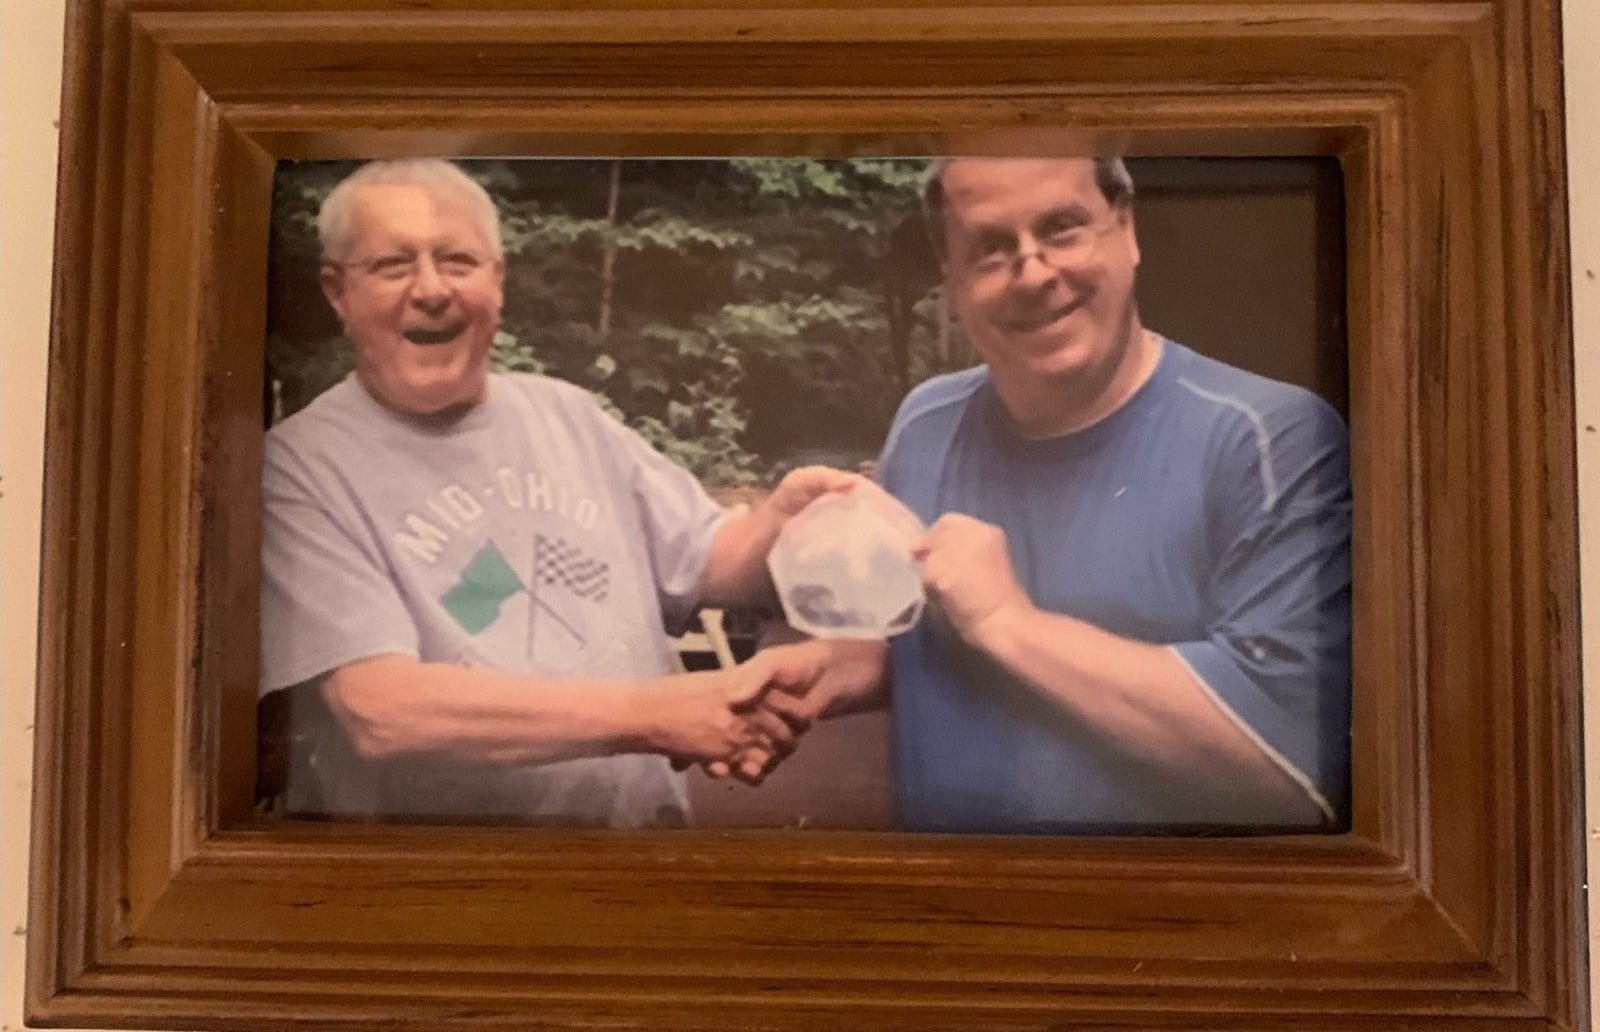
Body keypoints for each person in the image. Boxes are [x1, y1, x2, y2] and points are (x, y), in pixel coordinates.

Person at [753, 156, 1351, 834]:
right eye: (989, 248)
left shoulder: (1270, 441)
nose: (1034, 273)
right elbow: (927, 642)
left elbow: (1298, 769)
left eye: (1062, 228)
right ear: (952, 280)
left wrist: (1008, 624)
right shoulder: (924, 425)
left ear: (1126, 231)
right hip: (948, 914)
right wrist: (837, 671)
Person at [258, 158, 847, 828]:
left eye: (457, 260)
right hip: (449, 897)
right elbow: (381, 710)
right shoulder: (301, 465)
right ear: (337, 291)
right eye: (393, 265)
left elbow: (710, 558)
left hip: (647, 853)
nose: (430, 289)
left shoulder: (568, 414)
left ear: (498, 281)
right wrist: (663, 714)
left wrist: (781, 518)